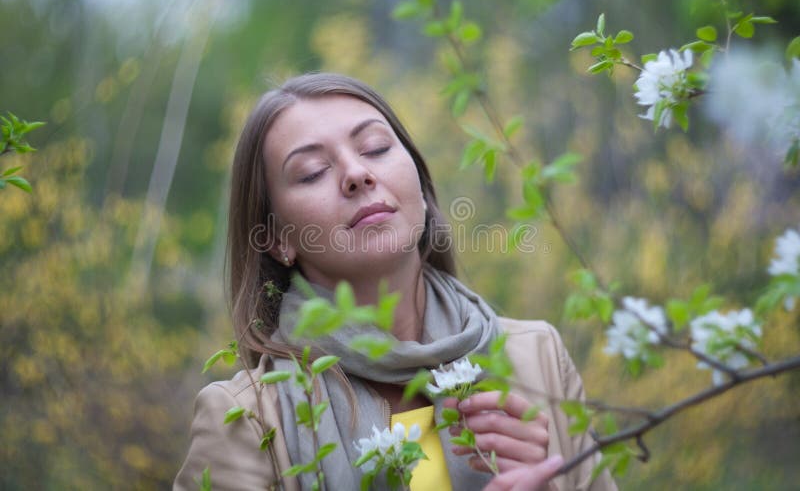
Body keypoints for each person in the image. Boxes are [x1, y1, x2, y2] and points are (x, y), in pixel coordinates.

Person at [174, 73, 616, 491]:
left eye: (376, 147)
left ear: (421, 190)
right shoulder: (245, 420)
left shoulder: (536, 357)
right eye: (311, 172)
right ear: (276, 239)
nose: (357, 174)